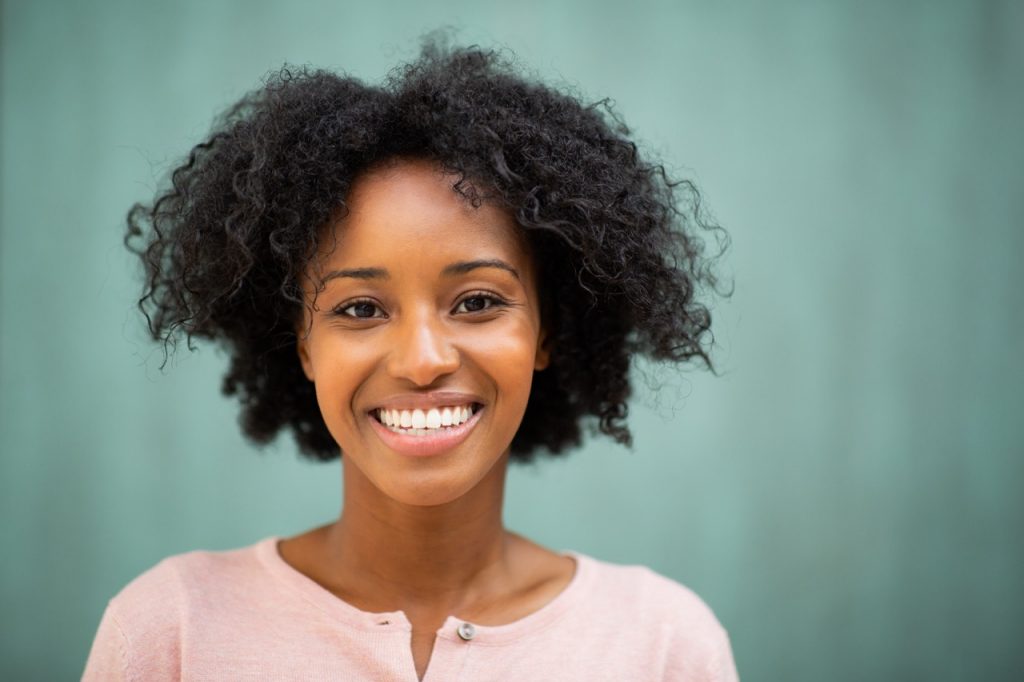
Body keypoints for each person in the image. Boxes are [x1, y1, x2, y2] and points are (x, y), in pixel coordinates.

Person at [83, 41, 738, 681]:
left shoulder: (662, 644)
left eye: (478, 301)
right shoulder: (171, 632)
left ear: (548, 329)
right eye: (361, 309)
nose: (422, 360)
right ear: (303, 343)